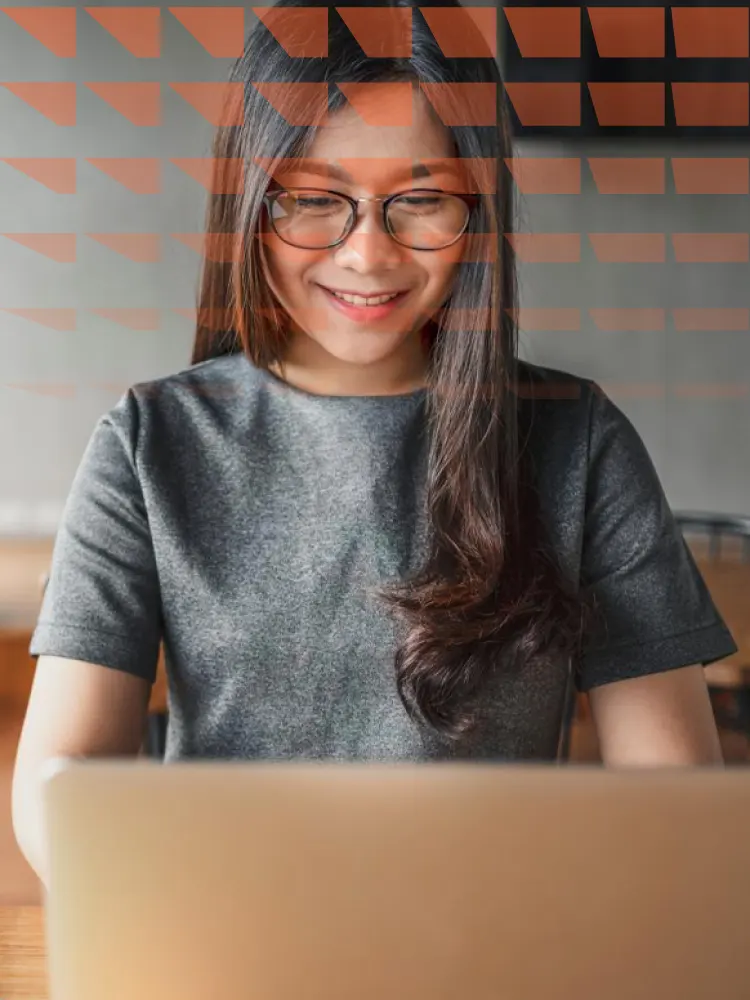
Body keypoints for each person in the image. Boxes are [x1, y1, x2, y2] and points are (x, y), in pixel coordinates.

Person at [13, 0, 735, 887]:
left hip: (491, 953)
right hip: (222, 941)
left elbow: (671, 802)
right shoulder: (149, 444)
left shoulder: (578, 442)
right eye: (315, 200)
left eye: (421, 200)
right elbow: (62, 782)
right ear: (252, 196)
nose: (366, 253)